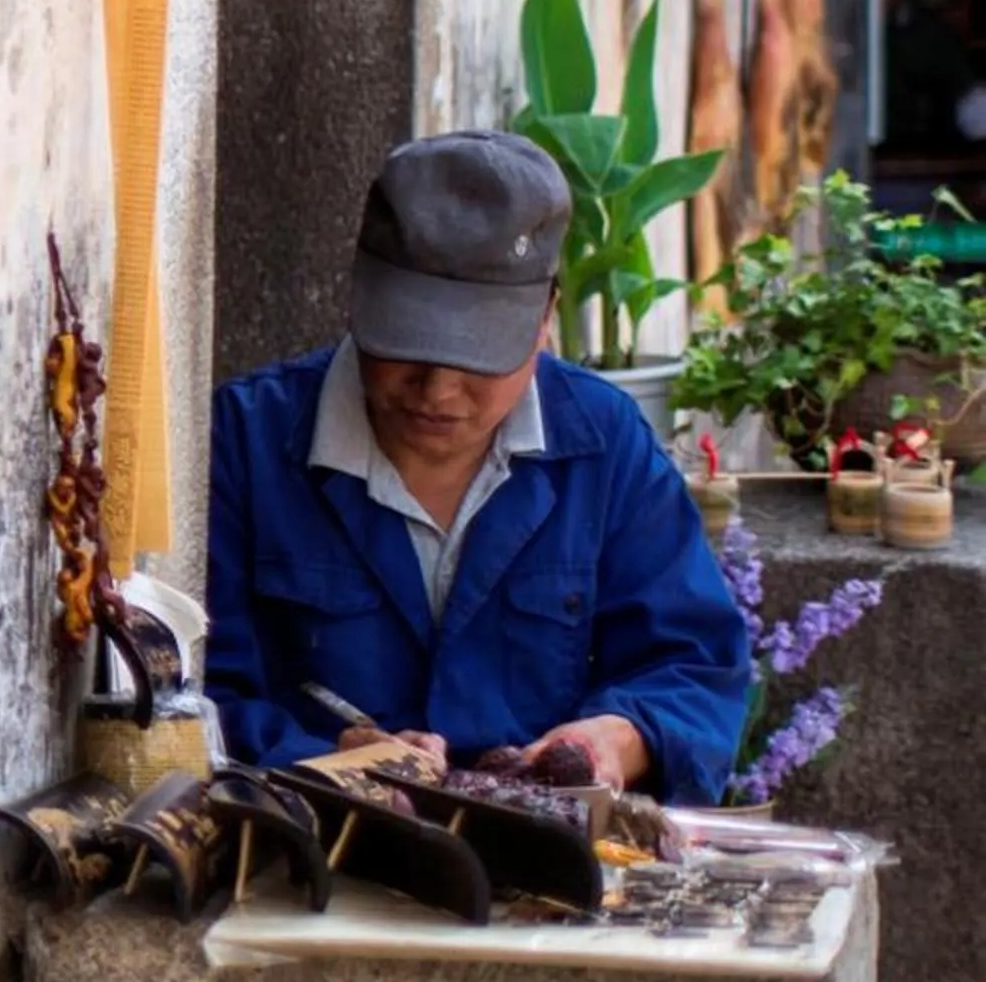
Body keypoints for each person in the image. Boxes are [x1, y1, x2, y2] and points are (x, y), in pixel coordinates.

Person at [205, 130, 749, 803]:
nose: (436, 390)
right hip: (305, 853)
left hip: (547, 865)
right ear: (358, 296)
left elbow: (695, 666)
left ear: (545, 316)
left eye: (475, 356)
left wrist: (614, 741)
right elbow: (191, 696)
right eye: (404, 345)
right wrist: (325, 758)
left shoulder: (604, 445)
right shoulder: (245, 441)